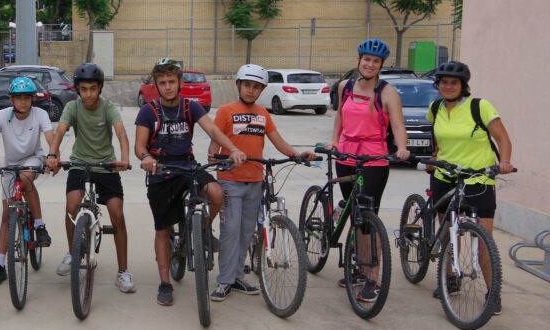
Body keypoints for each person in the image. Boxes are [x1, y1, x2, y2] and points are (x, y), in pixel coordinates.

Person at [135, 58, 247, 307]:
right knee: (163, 229)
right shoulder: (148, 111)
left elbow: (213, 130)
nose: (167, 87)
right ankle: (165, 283)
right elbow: (139, 146)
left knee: (216, 193)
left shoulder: (190, 107)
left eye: (171, 82)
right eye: (162, 83)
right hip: (161, 170)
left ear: (180, 83)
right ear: (156, 85)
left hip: (188, 166)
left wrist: (233, 149)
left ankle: (201, 230)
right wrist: (146, 157)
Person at [209, 64, 316, 302]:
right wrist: (215, 157)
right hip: (230, 181)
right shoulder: (226, 111)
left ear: (262, 90)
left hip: (255, 181)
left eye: (256, 87)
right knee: (231, 230)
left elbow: (279, 141)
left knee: (247, 232)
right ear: (238, 85)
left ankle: (237, 277)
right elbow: (215, 139)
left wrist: (297, 154)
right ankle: (224, 280)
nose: (251, 90)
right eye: (247, 85)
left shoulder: (263, 114)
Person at [426, 61, 514, 313]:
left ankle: (493, 292)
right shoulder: (435, 108)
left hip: (478, 180)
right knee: (447, 231)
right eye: (444, 82)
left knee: (484, 241)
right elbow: (438, 138)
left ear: (463, 85)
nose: (448, 86)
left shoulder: (480, 106)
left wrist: (504, 161)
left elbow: (503, 139)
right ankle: (450, 278)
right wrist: (434, 157)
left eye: (454, 82)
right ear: (438, 85)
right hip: (445, 176)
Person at [327, 38, 410, 303]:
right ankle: (360, 268)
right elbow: (340, 116)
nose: (370, 64)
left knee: (367, 217)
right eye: (367, 59)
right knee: (355, 215)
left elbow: (398, 125)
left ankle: (372, 277)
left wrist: (402, 147)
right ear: (359, 60)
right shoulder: (345, 87)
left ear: (381, 65)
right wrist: (334, 140)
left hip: (374, 158)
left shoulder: (387, 93)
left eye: (375, 61)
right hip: (346, 155)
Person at [46, 63, 135, 293]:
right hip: (80, 163)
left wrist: (124, 159)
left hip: (106, 165)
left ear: (100, 88)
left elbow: (121, 133)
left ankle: (123, 271)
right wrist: (52, 154)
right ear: (77, 89)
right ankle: (72, 253)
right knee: (71, 207)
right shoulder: (73, 107)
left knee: (117, 214)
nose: (88, 94)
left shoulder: (108, 108)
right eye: (83, 89)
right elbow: (60, 131)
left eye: (93, 89)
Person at [0, 76, 55, 286]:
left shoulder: (40, 114)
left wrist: (52, 157)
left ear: (32, 99)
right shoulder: (2, 115)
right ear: (11, 99)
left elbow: (51, 137)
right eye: (18, 97)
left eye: (27, 97)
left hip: (33, 159)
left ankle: (39, 226)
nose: (23, 101)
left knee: (26, 179)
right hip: (10, 166)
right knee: (7, 214)